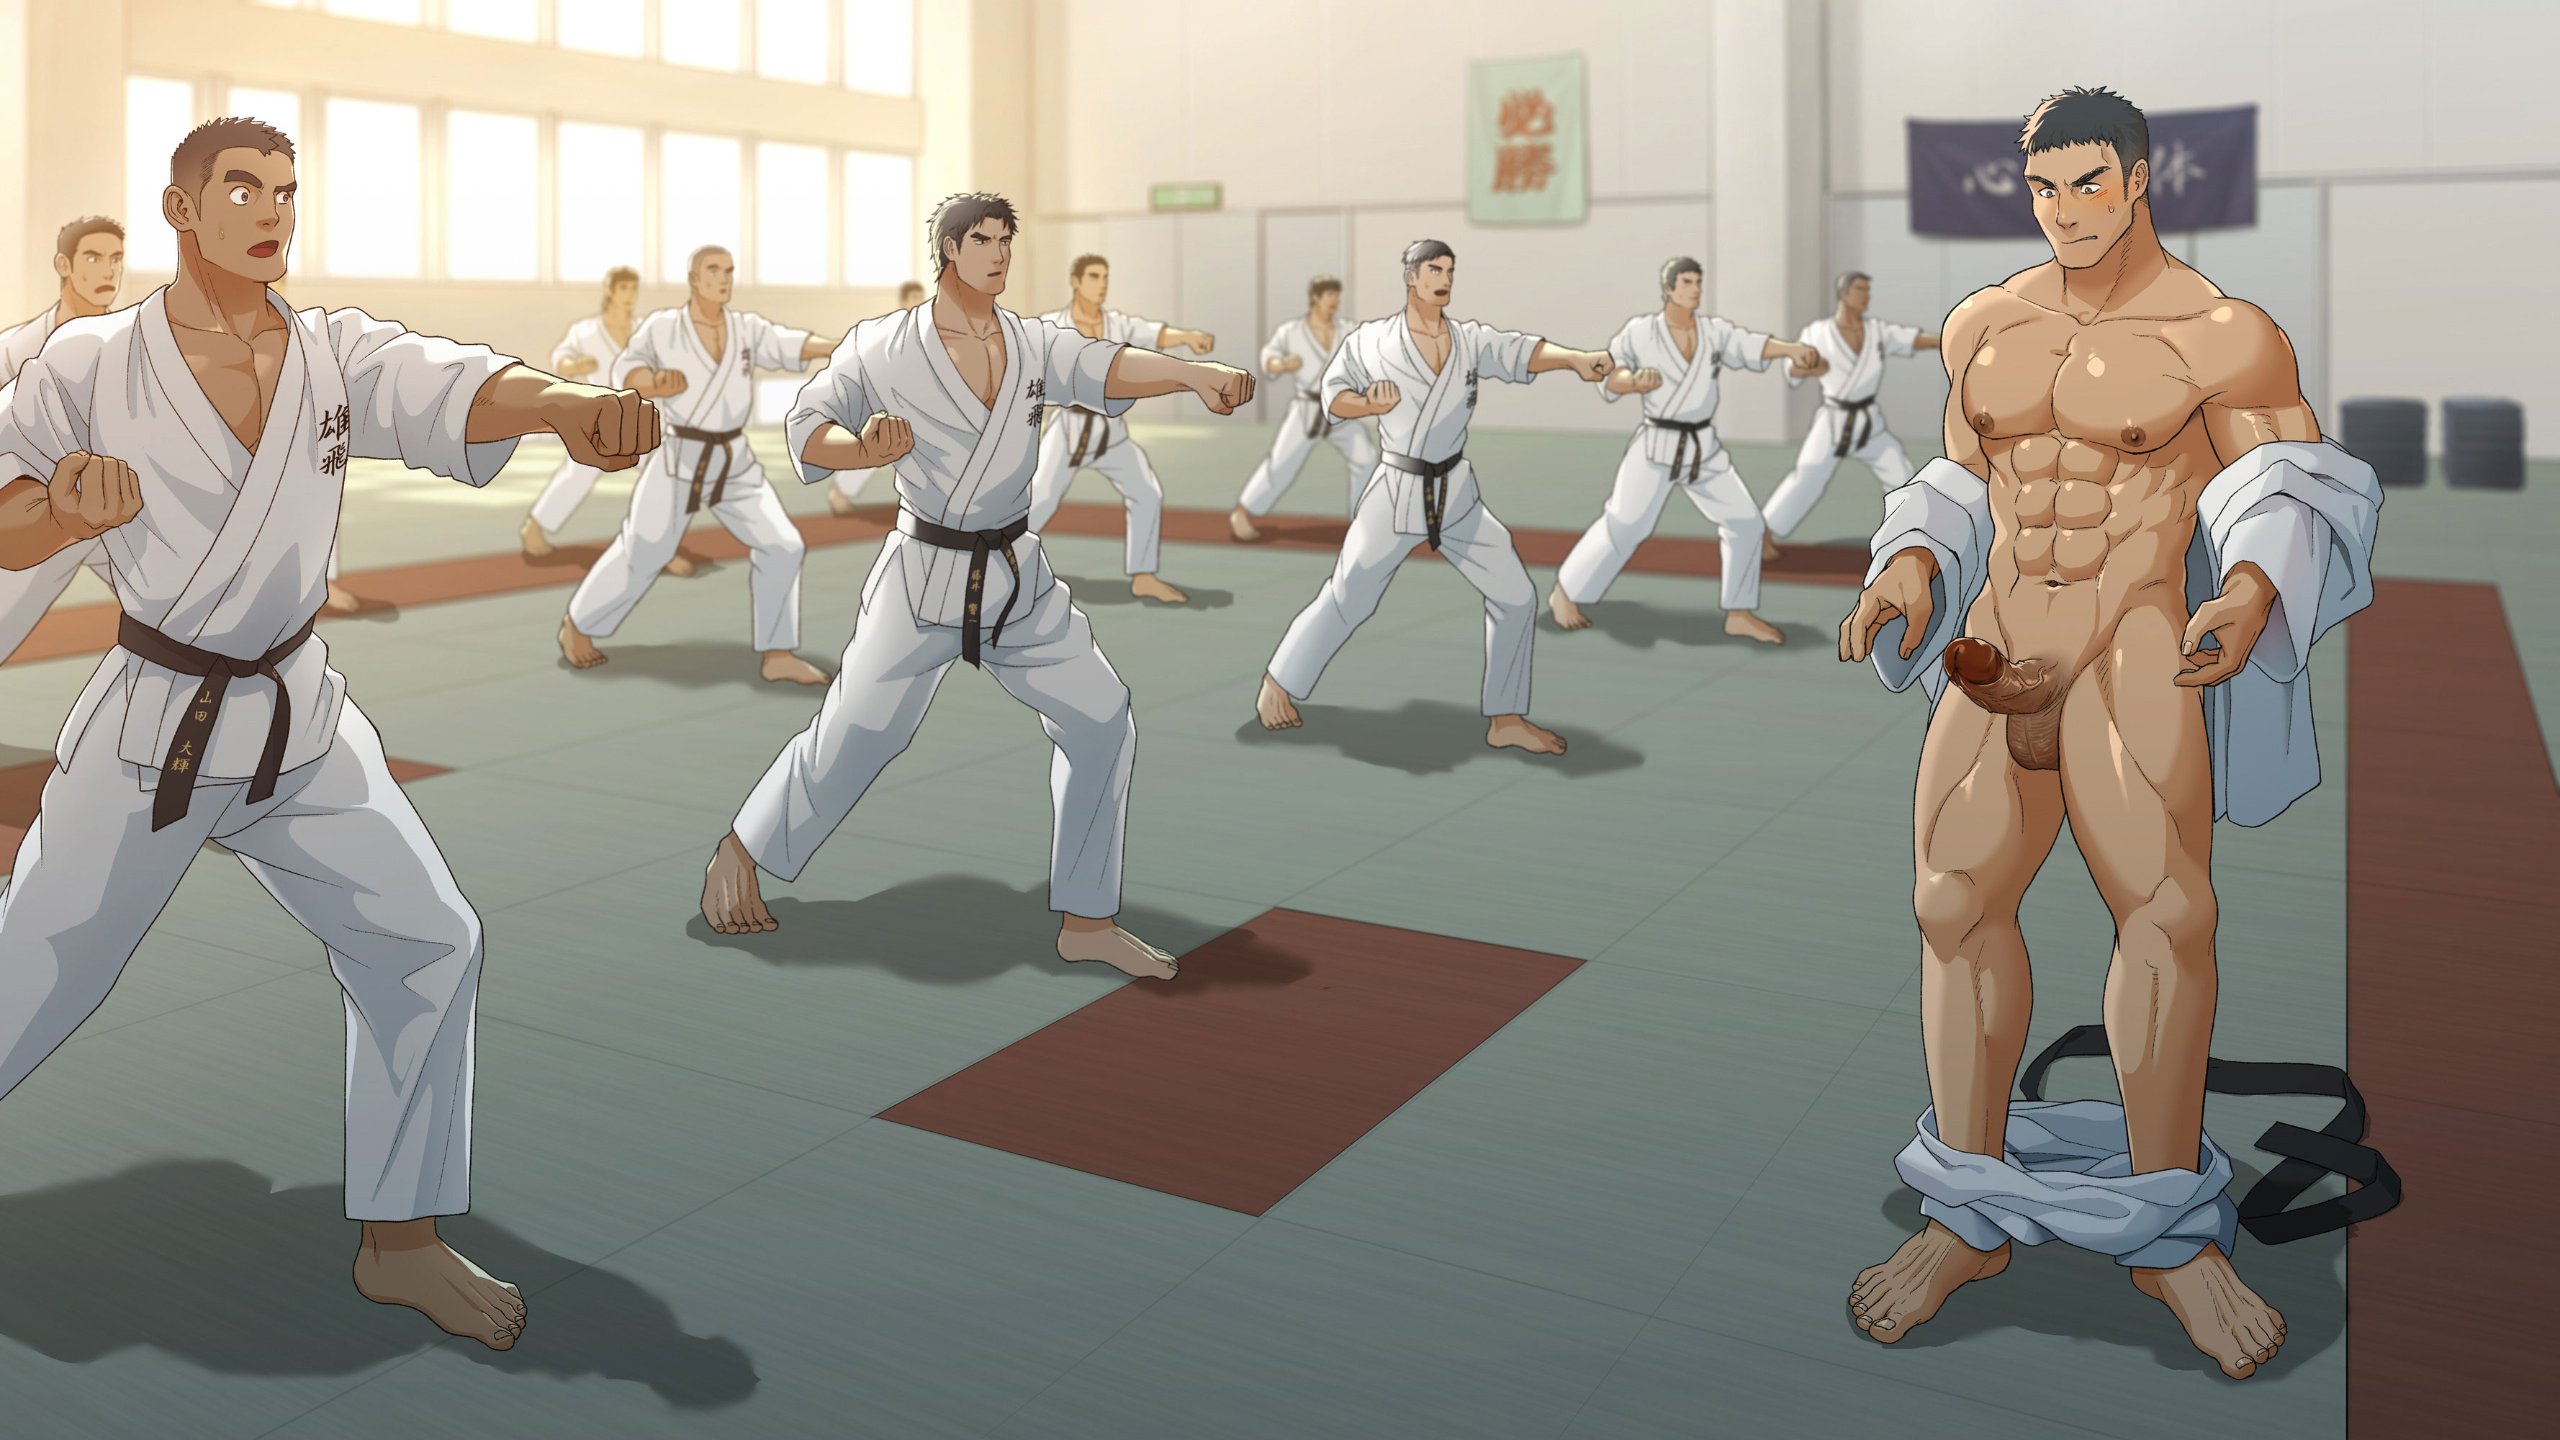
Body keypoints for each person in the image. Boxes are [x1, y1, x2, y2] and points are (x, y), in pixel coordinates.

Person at [0, 116, 659, 1352]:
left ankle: (400, 1242)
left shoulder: (330, 353)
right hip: (157, 726)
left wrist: (567, 405)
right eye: (242, 189)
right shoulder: (90, 361)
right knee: (34, 971)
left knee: (428, 941)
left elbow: (460, 386)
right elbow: (5, 515)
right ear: (180, 209)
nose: (271, 212)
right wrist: (58, 511)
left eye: (286, 192)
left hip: (297, 717)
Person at [1836, 87, 2381, 1381]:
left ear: (2140, 180)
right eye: (2045, 187)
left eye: (2089, 183)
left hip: (2129, 647)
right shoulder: (1986, 322)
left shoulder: (2220, 334)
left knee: (2166, 917)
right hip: (1997, 640)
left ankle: (2168, 1238)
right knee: (1950, 904)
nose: (2066, 210)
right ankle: (1967, 1214)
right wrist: (1910, 560)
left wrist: (2249, 590)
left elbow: (2284, 484)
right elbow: (1961, 476)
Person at [700, 193, 1256, 979]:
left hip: (1016, 573)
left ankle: (1088, 919)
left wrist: (1191, 376)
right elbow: (807, 426)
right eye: (983, 241)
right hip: (922, 572)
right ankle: (743, 849)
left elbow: (1107, 367)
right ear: (949, 250)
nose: (999, 254)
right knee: (861, 730)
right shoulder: (886, 345)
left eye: (1005, 241)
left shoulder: (1030, 342)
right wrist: (860, 452)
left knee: (1102, 717)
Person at [1255, 240, 1615, 756]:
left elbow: (1521, 352)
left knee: (1516, 596)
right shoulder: (1372, 340)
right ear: (1411, 277)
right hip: (1396, 490)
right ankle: (1279, 682)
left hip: (1455, 492)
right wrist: (1366, 403)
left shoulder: (1467, 340)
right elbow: (1333, 396)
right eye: (1433, 270)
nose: (1444, 279)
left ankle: (1506, 717)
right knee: (1350, 594)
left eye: (1449, 270)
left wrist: (1575, 359)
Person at [558, 245, 838, 684]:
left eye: (728, 271)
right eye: (713, 271)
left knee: (783, 545)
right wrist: (654, 383)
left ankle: (778, 653)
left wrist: (843, 347)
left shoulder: (745, 329)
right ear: (694, 278)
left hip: (733, 460)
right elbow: (627, 371)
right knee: (646, 549)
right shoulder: (664, 327)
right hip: (680, 456)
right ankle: (578, 626)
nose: (723, 279)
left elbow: (793, 344)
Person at [1548, 256, 1823, 645]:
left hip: (1702, 448)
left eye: (1698, 282)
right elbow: (1611, 374)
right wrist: (1633, 382)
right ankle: (1566, 592)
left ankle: (1739, 613)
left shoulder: (1712, 332)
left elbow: (1751, 344)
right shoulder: (1641, 331)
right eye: (1688, 282)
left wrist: (1790, 349)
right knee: (1626, 524)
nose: (1696, 289)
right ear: (1669, 288)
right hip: (1655, 445)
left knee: (1746, 523)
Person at [1025, 255, 1216, 604]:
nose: (1102, 284)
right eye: (1094, 277)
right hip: (1068, 428)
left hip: (1110, 430)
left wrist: (1188, 337)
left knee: (1146, 491)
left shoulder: (1117, 324)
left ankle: (1144, 577)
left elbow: (1154, 333)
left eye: (1105, 277)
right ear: (1076, 281)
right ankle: (998, 564)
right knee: (1041, 498)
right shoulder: (1052, 325)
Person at [0, 216, 126, 663]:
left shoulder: (134, 346)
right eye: (93, 258)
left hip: (119, 506)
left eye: (116, 259)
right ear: (64, 265)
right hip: (39, 512)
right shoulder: (14, 351)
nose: (107, 271)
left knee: (190, 612)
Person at [520, 265, 695, 573]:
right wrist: (576, 365)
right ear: (611, 291)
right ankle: (534, 528)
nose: (630, 295)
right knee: (578, 473)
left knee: (664, 476)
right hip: (600, 417)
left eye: (633, 289)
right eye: (624, 288)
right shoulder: (586, 331)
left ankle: (661, 547)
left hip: (641, 415)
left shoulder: (645, 330)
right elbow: (560, 359)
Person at [1759, 271, 1939, 556]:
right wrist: (1808, 368)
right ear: (1843, 294)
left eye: (1868, 290)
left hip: (1869, 423)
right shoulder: (1818, 332)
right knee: (1807, 476)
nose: (1866, 295)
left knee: (1901, 474)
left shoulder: (1876, 331)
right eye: (1860, 289)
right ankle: (1761, 535)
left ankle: (1911, 539)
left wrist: (1949, 339)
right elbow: (1794, 369)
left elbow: (1914, 339)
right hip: (1834, 420)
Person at [1229, 275, 1376, 541]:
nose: (1334, 301)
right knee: (1281, 463)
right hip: (1307, 409)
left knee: (1365, 458)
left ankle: (1360, 521)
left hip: (1339, 406)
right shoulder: (1292, 331)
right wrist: (1283, 364)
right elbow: (1268, 358)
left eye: (1337, 296)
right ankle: (1243, 512)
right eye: (1329, 295)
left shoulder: (1346, 329)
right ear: (1315, 298)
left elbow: (1370, 344)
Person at [828, 279, 928, 517]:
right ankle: (840, 491)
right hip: (887, 398)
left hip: (915, 400)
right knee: (879, 447)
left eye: (920, 297)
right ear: (904, 301)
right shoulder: (891, 329)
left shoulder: (925, 330)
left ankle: (924, 504)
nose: (918, 302)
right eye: (914, 298)